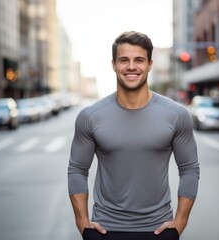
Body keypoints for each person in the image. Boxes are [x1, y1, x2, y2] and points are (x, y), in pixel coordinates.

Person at [68, 31, 200, 240]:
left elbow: (189, 169)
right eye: (124, 60)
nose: (131, 66)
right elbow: (77, 169)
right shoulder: (90, 116)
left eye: (139, 60)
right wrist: (83, 223)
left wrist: (179, 223)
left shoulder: (176, 115)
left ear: (149, 64)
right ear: (113, 65)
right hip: (105, 230)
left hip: (158, 230)